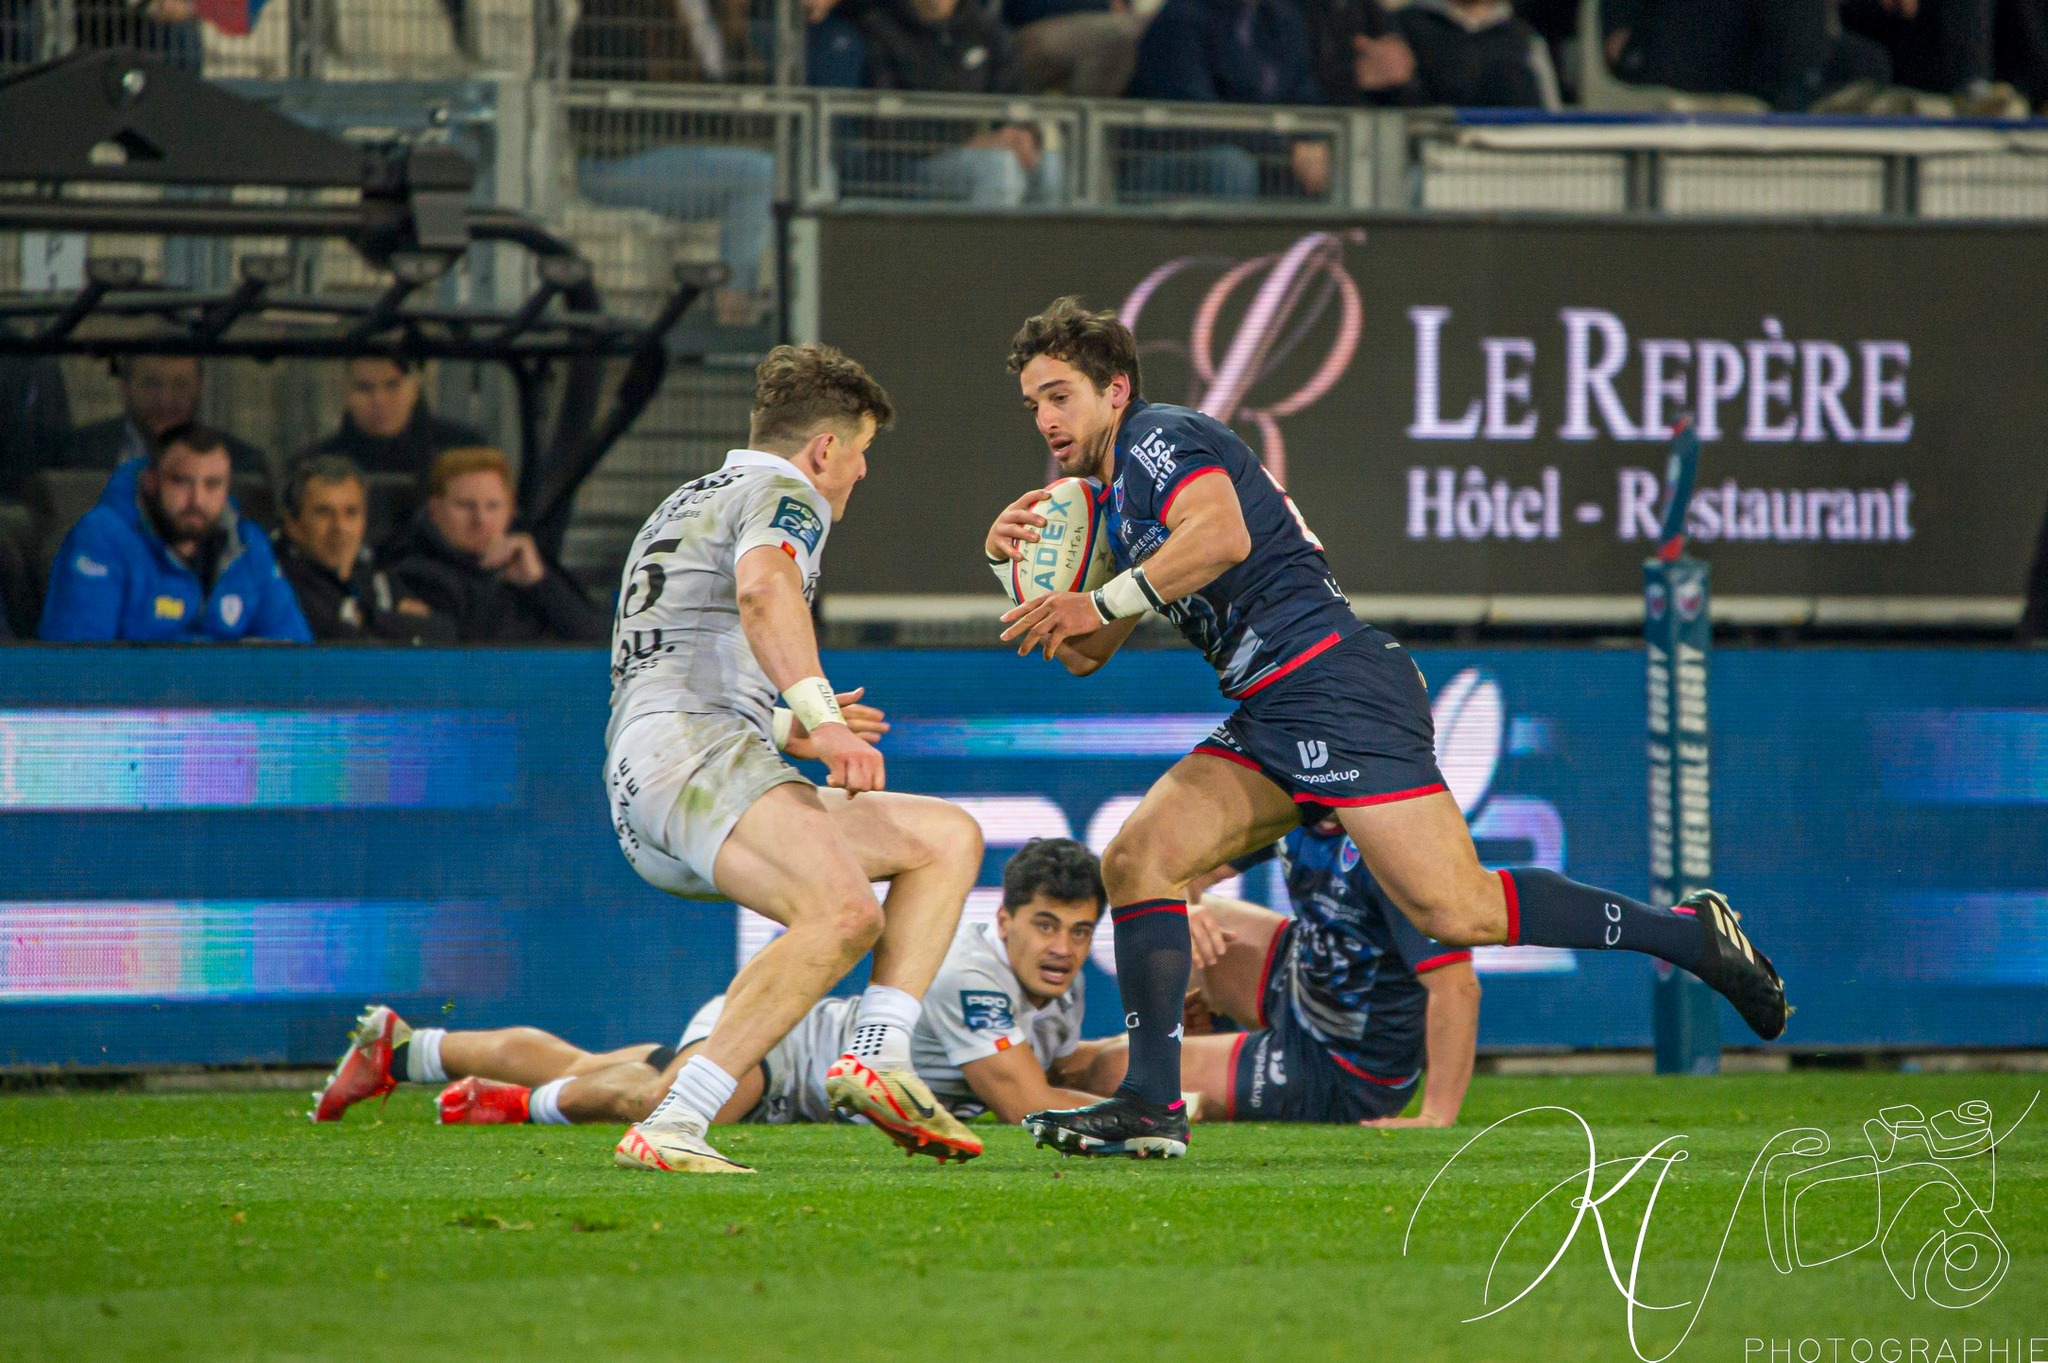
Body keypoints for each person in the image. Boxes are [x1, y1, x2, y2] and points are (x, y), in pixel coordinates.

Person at [986, 298, 1787, 1160]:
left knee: (1458, 907)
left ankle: (1690, 934)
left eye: (1060, 394)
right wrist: (1013, 572)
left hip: (1333, 684)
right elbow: (1085, 652)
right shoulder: (1112, 501)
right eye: (1033, 402)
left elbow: (1218, 535)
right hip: (1275, 701)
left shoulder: (1158, 437)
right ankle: (1151, 1103)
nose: (1046, 418)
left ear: (1116, 390)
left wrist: (1097, 595)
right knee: (1138, 859)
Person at [605, 342, 986, 1173]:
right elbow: (762, 591)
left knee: (944, 838)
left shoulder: (684, 502)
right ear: (825, 449)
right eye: (862, 454)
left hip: (664, 766)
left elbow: (670, 658)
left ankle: (876, 1056)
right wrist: (824, 716)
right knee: (845, 914)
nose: (859, 476)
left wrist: (785, 731)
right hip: (693, 754)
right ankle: (676, 1118)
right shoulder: (786, 493)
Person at [312, 838, 1115, 1129]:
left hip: (788, 1059)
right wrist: (1149, 1110)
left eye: (1080, 930)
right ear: (1004, 918)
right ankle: (519, 1104)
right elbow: (1025, 1105)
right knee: (660, 1102)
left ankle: (411, 1048)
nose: (1062, 946)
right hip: (780, 1048)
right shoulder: (974, 972)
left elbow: (1060, 1069)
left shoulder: (1059, 983)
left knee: (590, 1064)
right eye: (1045, 923)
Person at [1082, 821, 1482, 1128]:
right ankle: (1204, 1032)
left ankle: (1204, 1055)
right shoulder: (1295, 803)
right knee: (1167, 918)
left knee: (1111, 1070)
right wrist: (1185, 907)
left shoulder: (1399, 846)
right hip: (1303, 974)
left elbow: (1457, 987)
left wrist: (1435, 1117)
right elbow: (1185, 873)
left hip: (1343, 1068)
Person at [38, 423, 311, 643]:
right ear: (151, 482)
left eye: (212, 485)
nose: (197, 500)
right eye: (181, 481)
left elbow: (295, 654)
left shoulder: (248, 547)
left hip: (230, 711)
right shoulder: (102, 538)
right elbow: (78, 665)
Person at [384, 447, 608, 644]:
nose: (480, 519)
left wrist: (540, 584)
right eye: (465, 505)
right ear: (434, 509)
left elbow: (600, 641)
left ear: (510, 510)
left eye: (493, 506)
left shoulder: (533, 571)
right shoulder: (411, 576)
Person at [856, 0, 1058, 208]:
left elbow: (1012, 95)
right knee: (998, 167)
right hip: (909, 162)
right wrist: (964, 144)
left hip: (971, 152)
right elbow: (881, 127)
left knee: (1050, 166)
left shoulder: (982, 26)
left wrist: (1023, 134)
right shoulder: (879, 28)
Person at [1124, 0, 1329, 199]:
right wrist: (1285, 151)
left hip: (1266, 155)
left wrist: (1312, 143)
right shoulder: (1181, 17)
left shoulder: (1282, 18)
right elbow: (1199, 121)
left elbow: (1307, 99)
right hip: (1166, 163)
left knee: (1333, 164)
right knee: (1231, 166)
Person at [274, 455, 455, 645]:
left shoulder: (374, 575)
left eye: (351, 512)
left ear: (364, 521)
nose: (339, 526)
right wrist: (396, 623)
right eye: (324, 513)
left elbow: (442, 631)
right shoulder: (277, 581)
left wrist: (367, 618)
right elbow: (334, 636)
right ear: (293, 525)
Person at [63, 355, 266, 478]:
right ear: (125, 387)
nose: (165, 400)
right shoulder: (71, 454)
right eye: (152, 384)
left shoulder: (243, 465)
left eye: (180, 385)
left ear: (199, 388)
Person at [298, 358, 487, 481]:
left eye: (392, 385)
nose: (378, 400)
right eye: (364, 388)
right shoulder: (314, 466)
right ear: (346, 394)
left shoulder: (465, 451)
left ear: (414, 389)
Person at [1000, 0, 1145, 96]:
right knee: (1119, 32)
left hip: (1089, 36)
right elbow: (1022, 9)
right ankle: (1077, 130)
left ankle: (1079, 130)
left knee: (1126, 35)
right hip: (1024, 33)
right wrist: (1104, 5)